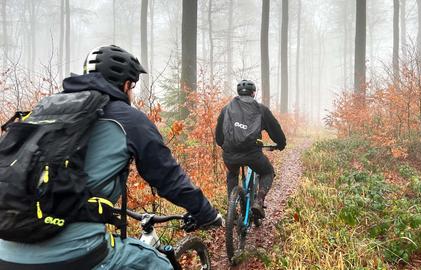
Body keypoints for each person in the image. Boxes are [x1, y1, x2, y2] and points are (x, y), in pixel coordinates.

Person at [0, 45, 222, 269]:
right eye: (132, 87)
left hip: (7, 248)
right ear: (126, 85)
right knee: (158, 263)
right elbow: (169, 178)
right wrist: (206, 213)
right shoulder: (127, 119)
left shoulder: (45, 109)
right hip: (74, 252)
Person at [215, 80, 286, 219]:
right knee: (268, 172)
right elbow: (275, 129)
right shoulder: (261, 109)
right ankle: (259, 201)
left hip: (230, 155)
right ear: (253, 93)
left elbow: (219, 136)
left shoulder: (226, 109)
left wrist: (224, 145)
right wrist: (280, 144)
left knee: (232, 174)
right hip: (252, 155)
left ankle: (232, 209)